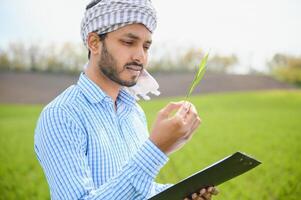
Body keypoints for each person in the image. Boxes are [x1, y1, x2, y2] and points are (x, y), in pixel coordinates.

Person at [34, 0, 219, 199]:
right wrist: (156, 148)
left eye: (146, 46)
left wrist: (179, 195)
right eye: (129, 42)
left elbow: (137, 191)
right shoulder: (61, 115)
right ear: (94, 43)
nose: (140, 57)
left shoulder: (134, 113)